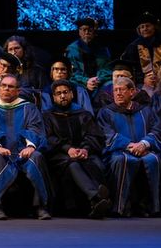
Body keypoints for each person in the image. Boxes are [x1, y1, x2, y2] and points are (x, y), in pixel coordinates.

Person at [0, 74, 51, 220]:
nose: (6, 89)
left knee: (37, 157)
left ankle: (40, 207)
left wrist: (31, 146)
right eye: (3, 86)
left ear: (18, 91)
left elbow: (35, 128)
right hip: (0, 151)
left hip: (23, 151)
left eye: (11, 87)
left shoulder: (29, 108)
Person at [96, 76, 161, 217]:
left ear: (132, 92)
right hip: (118, 152)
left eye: (122, 90)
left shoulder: (145, 111)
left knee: (153, 159)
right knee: (124, 160)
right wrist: (129, 145)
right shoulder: (106, 112)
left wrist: (143, 144)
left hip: (144, 149)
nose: (118, 93)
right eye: (115, 90)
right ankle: (119, 207)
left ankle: (152, 207)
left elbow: (157, 130)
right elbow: (106, 134)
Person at [42, 79, 111, 218]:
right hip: (59, 156)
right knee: (72, 164)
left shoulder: (83, 114)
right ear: (54, 97)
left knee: (94, 163)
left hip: (85, 153)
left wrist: (85, 149)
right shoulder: (47, 116)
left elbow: (94, 135)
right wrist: (68, 149)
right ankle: (96, 197)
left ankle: (95, 203)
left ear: (72, 94)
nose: (62, 96)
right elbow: (48, 138)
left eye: (65, 92)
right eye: (58, 93)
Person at [65, 17, 111, 95]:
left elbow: (107, 68)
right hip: (80, 82)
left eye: (90, 30)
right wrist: (86, 81)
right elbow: (72, 72)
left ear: (94, 31)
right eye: (83, 29)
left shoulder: (102, 49)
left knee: (110, 86)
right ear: (79, 32)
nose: (87, 32)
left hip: (99, 81)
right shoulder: (72, 49)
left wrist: (97, 80)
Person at [122, 12, 161, 90]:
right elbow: (129, 67)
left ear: (154, 27)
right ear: (139, 30)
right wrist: (143, 79)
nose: (145, 29)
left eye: (148, 26)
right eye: (142, 27)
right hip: (141, 83)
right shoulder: (133, 46)